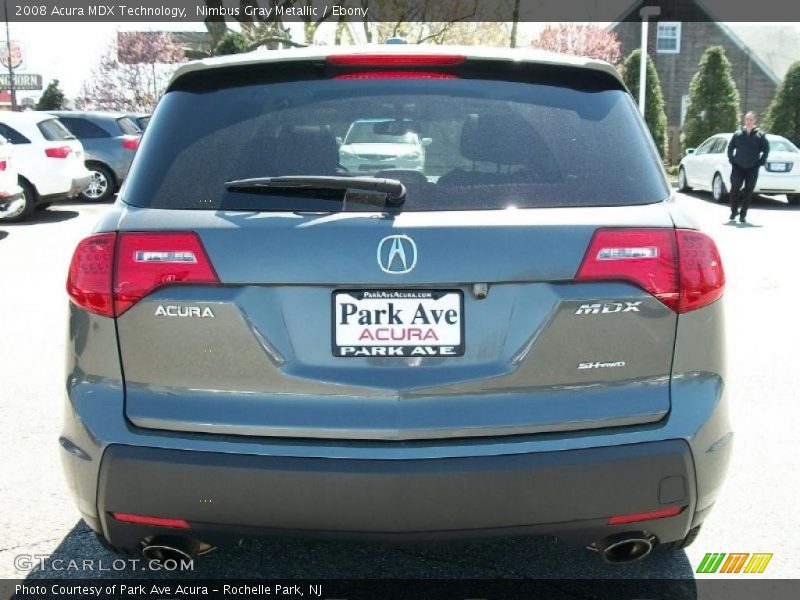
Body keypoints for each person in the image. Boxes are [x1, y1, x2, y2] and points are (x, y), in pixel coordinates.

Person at [726, 111, 770, 223]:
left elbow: (766, 149)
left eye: (751, 120)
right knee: (734, 189)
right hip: (738, 167)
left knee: (748, 191)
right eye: (747, 119)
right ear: (744, 120)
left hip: (752, 168)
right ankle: (733, 211)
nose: (748, 122)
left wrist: (761, 162)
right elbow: (730, 148)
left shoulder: (760, 135)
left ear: (755, 121)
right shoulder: (738, 134)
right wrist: (732, 160)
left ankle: (743, 214)